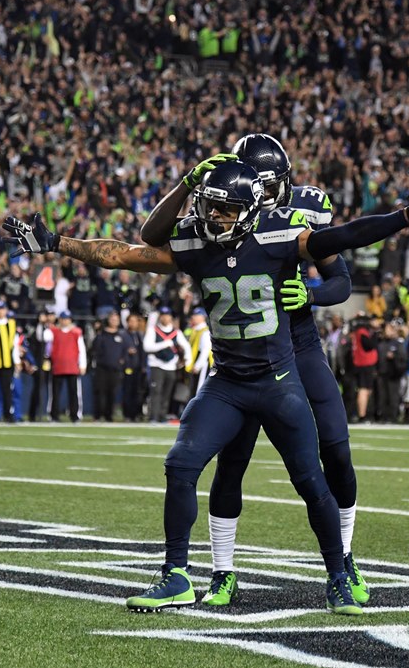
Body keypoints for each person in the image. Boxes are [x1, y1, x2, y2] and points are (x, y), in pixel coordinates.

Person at [6, 158, 409, 614]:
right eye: (210, 207)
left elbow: (346, 235)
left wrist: (408, 214)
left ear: (251, 209)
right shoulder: (196, 242)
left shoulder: (279, 235)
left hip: (277, 382)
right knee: (180, 464)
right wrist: (57, 243)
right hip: (227, 382)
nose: (214, 217)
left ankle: (338, 575)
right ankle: (176, 576)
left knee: (311, 482)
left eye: (225, 210)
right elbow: (124, 253)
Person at [143, 136, 367, 606]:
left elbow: (342, 279)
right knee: (231, 465)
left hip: (297, 348)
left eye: (271, 184)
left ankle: (343, 560)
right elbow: (147, 244)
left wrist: (312, 296)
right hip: (240, 360)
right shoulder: (218, 220)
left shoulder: (297, 218)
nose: (266, 193)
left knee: (333, 456)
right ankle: (222, 571)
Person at [143, 306, 191, 422]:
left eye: (167, 315)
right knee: (156, 391)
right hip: (156, 364)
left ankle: (162, 415)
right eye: (163, 315)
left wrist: (187, 361)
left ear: (171, 317)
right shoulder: (153, 330)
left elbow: (186, 347)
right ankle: (153, 416)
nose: (165, 318)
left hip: (170, 366)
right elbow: (147, 347)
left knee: (167, 392)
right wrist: (165, 344)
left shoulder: (176, 332)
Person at [45, 310, 86, 422]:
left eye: (67, 319)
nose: (65, 321)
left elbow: (81, 349)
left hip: (72, 367)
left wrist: (82, 364)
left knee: (74, 393)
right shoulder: (53, 331)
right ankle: (54, 415)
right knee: (55, 394)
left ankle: (75, 415)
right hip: (58, 367)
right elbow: (45, 340)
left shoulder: (76, 332)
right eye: (63, 319)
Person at [91, 310, 131, 421]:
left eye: (116, 319)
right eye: (112, 319)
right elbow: (95, 350)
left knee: (112, 393)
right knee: (100, 392)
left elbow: (125, 350)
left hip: (115, 369)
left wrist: (123, 360)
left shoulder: (122, 335)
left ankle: (109, 415)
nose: (114, 321)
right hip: (102, 368)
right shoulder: (102, 335)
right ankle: (98, 415)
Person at [183, 307, 212, 394]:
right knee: (193, 389)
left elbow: (205, 350)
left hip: (202, 366)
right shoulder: (195, 330)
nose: (193, 317)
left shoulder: (205, 331)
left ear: (203, 317)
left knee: (198, 390)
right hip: (194, 365)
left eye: (197, 315)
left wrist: (197, 366)